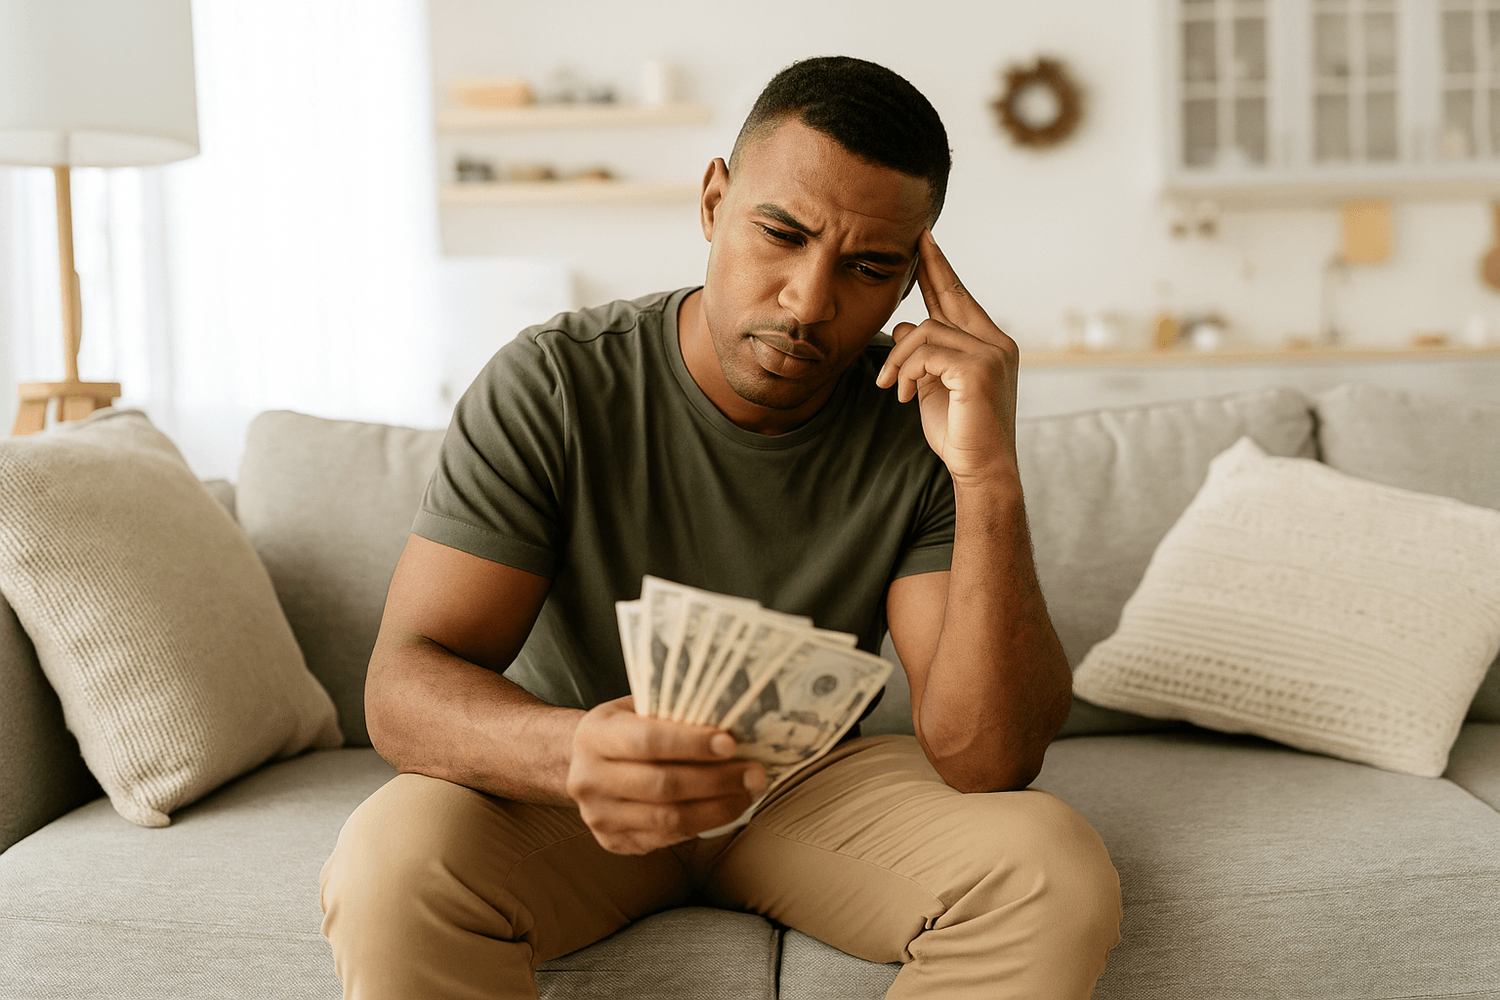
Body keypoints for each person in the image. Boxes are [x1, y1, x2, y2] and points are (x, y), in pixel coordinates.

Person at [320, 55, 1121, 1000]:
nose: (809, 303)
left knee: (1051, 868)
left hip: (804, 791)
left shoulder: (920, 422)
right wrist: (572, 752)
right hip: (569, 793)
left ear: (911, 281)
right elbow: (402, 686)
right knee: (389, 861)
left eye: (868, 267)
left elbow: (987, 758)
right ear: (713, 202)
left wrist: (989, 475)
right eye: (780, 233)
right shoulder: (554, 384)